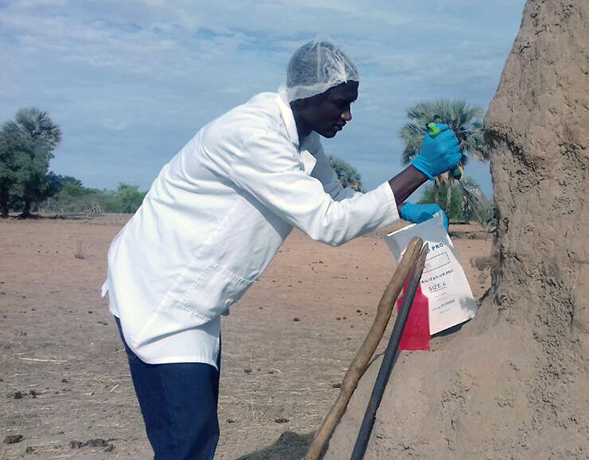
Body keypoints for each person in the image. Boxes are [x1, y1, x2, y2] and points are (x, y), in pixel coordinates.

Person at [101, 37, 462, 459]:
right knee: (186, 441)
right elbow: (327, 224)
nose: (348, 115)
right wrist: (419, 170)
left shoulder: (303, 139)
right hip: (159, 292)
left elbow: (337, 198)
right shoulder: (253, 136)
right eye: (340, 103)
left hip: (194, 295)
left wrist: (403, 209)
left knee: (193, 434)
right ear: (308, 96)